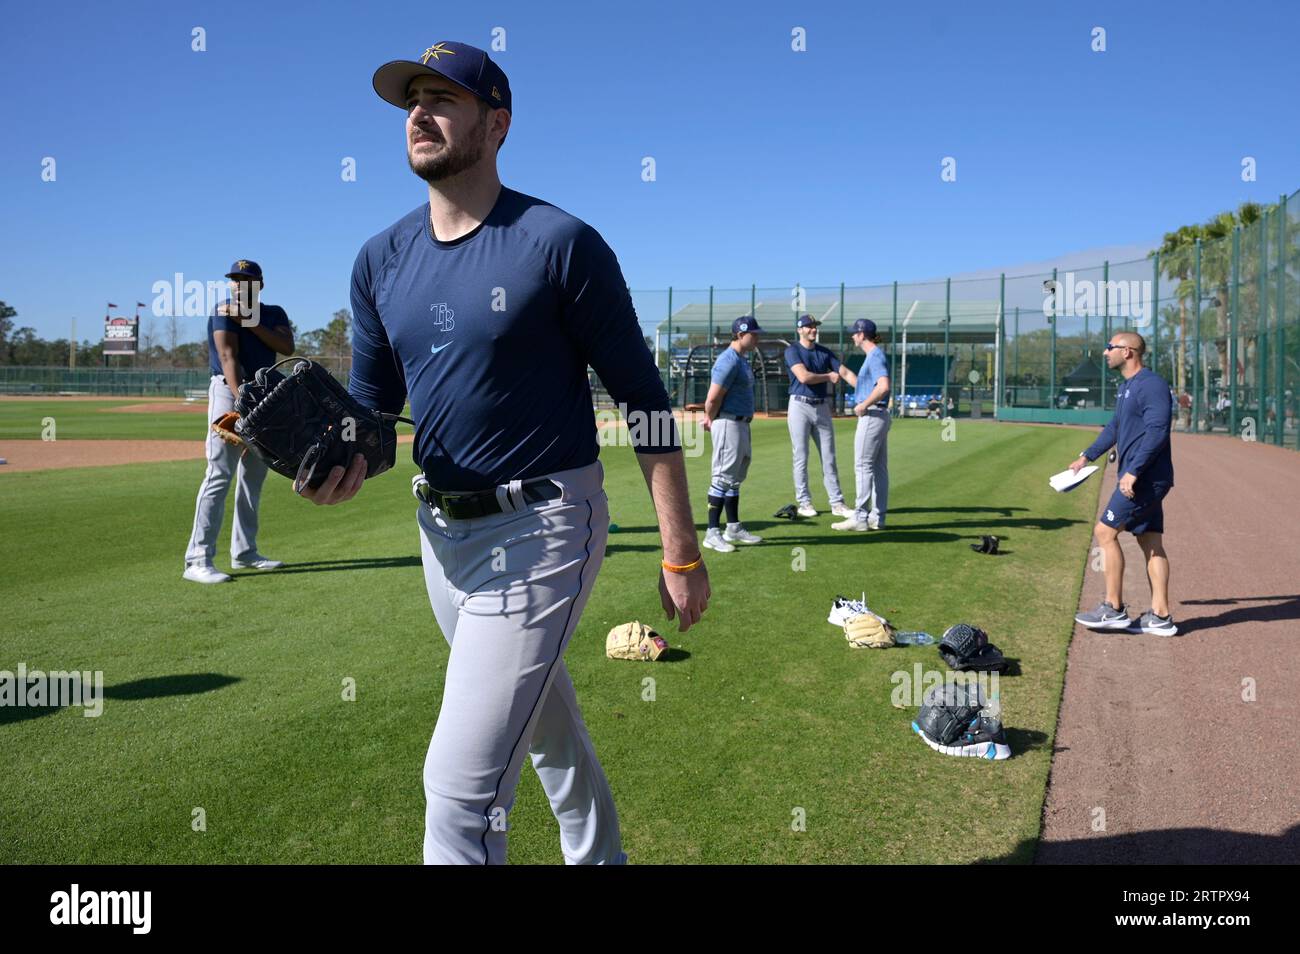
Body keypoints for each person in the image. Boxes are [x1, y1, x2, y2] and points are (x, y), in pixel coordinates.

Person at [303, 41, 710, 865]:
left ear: (497, 123)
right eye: (411, 98)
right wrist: (340, 455)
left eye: (442, 98)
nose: (419, 111)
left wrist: (680, 553)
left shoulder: (559, 243)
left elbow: (645, 406)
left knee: (458, 793)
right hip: (441, 538)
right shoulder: (379, 259)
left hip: (543, 530)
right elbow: (378, 415)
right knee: (546, 730)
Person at [182, 260, 294, 583]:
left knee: (253, 476)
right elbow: (228, 357)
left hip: (266, 393)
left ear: (259, 285)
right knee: (219, 473)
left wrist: (248, 320)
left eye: (246, 279)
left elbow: (286, 346)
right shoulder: (222, 310)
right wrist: (241, 400)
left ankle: (244, 552)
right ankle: (197, 559)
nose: (239, 284)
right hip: (230, 391)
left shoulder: (273, 314)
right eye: (234, 279)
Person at [1070, 332, 1177, 636]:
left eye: (1111, 347)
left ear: (1128, 352)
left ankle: (1113, 608)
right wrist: (1085, 457)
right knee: (1151, 541)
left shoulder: (1152, 384)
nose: (1106, 353)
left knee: (1104, 532)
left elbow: (1158, 430)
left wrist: (1133, 472)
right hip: (1144, 478)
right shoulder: (1127, 387)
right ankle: (1160, 616)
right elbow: (1115, 427)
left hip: (1144, 479)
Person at [702, 316, 765, 552]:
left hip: (740, 423)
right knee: (722, 477)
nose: (757, 337)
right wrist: (709, 417)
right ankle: (712, 532)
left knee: (735, 477)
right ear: (740, 334)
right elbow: (713, 397)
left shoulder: (741, 359)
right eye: (754, 334)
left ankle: (733, 527)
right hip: (727, 422)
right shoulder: (728, 360)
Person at [783, 314, 856, 519]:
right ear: (800, 330)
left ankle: (837, 503)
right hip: (799, 405)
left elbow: (845, 373)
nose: (813, 329)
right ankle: (804, 502)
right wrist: (828, 376)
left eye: (814, 326)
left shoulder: (824, 352)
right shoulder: (792, 350)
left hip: (822, 406)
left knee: (829, 458)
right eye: (808, 327)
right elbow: (803, 376)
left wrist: (866, 390)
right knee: (801, 456)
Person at [833, 319, 890, 532]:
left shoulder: (875, 355)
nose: (852, 336)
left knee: (863, 466)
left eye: (854, 333)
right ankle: (877, 517)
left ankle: (860, 517)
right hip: (880, 415)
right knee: (878, 468)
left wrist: (864, 404)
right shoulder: (875, 355)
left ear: (862, 334)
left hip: (872, 414)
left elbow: (883, 386)